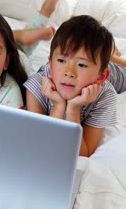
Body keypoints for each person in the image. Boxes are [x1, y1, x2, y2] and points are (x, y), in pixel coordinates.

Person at [24, 15, 118, 157]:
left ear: (101, 77)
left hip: (116, 75)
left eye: (82, 65)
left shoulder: (105, 95)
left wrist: (74, 109)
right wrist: (59, 106)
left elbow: (82, 154)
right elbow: (42, 142)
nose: (69, 72)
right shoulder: (37, 85)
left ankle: (117, 59)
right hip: (73, 78)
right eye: (61, 60)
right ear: (50, 64)